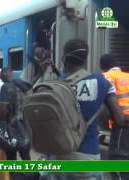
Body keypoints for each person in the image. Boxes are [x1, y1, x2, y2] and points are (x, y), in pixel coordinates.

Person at [45, 39, 124, 180]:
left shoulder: (53, 84)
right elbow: (119, 119)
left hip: (57, 157)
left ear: (64, 58)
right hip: (88, 158)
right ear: (86, 58)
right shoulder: (103, 82)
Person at [100, 54, 129, 180]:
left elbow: (103, 102)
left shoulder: (107, 77)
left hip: (122, 124)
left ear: (102, 66)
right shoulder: (127, 76)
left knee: (118, 160)